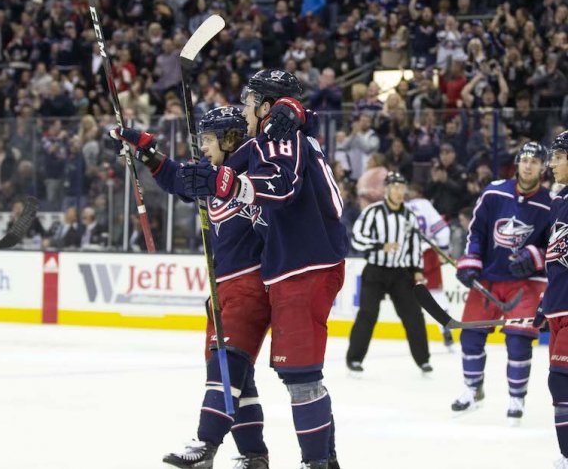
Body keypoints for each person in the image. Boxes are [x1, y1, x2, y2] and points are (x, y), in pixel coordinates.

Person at [177, 70, 346, 469]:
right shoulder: (280, 132)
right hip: (292, 266)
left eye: (251, 101)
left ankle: (316, 462)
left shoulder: (282, 135)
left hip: (306, 265)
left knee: (301, 375)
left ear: (267, 106)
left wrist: (227, 184)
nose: (244, 109)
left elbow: (281, 185)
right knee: (299, 376)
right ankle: (323, 460)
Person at [109, 107, 270, 468]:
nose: (204, 147)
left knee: (225, 368)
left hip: (250, 287)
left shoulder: (250, 175)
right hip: (221, 292)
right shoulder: (212, 178)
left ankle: (205, 444)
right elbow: (177, 178)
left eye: (210, 140)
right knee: (239, 379)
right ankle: (254, 455)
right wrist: (146, 150)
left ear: (231, 140)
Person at [453, 142, 551, 425]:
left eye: (535, 161)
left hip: (526, 284)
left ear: (542, 168)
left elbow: (556, 245)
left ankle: (516, 398)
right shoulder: (494, 192)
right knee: (470, 336)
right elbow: (477, 231)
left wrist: (535, 257)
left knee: (519, 341)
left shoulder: (550, 203)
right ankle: (473, 389)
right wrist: (471, 260)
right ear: (517, 163)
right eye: (524, 160)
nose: (528, 165)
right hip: (489, 278)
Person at [348, 172, 431, 374]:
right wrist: (379, 246)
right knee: (368, 314)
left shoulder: (410, 216)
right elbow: (356, 238)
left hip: (401, 274)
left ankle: (423, 360)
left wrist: (417, 271)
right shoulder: (373, 212)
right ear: (386, 190)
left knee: (413, 315)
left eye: (402, 188)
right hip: (375, 271)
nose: (399, 192)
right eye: (395, 187)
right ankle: (354, 359)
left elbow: (414, 247)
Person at [540, 131, 568, 468]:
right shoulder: (559, 202)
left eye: (558, 157)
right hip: (558, 305)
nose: (552, 164)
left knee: (560, 379)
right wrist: (543, 302)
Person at [404, 183, 454, 349]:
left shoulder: (395, 208)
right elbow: (443, 231)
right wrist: (444, 250)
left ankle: (416, 339)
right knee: (436, 295)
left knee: (406, 298)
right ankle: (445, 327)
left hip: (406, 257)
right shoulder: (424, 204)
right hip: (428, 254)